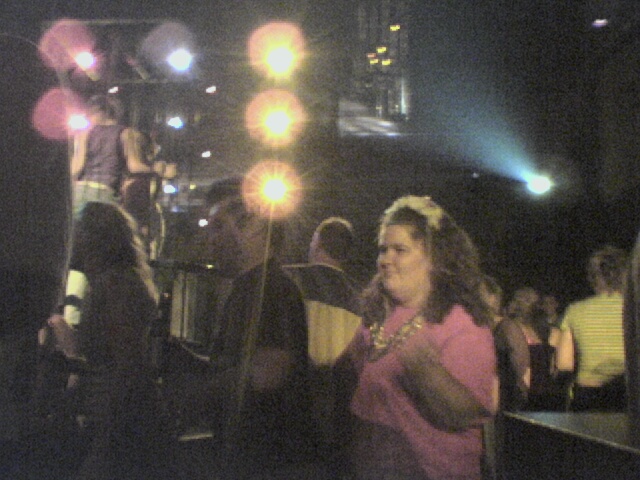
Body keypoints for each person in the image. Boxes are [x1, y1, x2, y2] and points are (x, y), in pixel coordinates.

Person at [335, 195, 497, 480]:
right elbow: (354, 381)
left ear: (435, 258)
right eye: (383, 250)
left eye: (400, 250)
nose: (385, 260)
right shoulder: (379, 314)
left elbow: (469, 413)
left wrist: (427, 374)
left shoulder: (462, 322)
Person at [179, 175, 317, 479]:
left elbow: (271, 369)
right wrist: (187, 358)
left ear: (253, 226)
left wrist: (200, 394)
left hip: (270, 461)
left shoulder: (272, 289)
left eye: (218, 226)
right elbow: (244, 363)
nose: (211, 239)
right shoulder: (249, 287)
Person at [46, 202, 176, 480]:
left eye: (77, 233)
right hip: (114, 418)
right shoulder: (108, 283)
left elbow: (127, 364)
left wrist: (106, 439)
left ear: (94, 240)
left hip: (124, 422)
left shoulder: (117, 285)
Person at [284, 217, 363, 461]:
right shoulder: (362, 298)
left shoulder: (289, 279)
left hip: (291, 405)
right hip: (340, 415)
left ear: (317, 243)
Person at [557, 245, 628, 412]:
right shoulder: (633, 310)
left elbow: (564, 364)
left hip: (588, 395)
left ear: (593, 277)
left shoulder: (575, 310)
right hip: (628, 395)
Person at [71, 94, 152, 219]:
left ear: (100, 113)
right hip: (105, 193)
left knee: (78, 229)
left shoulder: (85, 132)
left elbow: (76, 167)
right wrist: (156, 170)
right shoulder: (126, 133)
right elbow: (134, 166)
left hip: (80, 191)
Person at [504, 287, 565, 411]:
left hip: (543, 394)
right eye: (526, 301)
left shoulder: (548, 331)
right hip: (522, 393)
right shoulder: (510, 328)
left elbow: (556, 366)